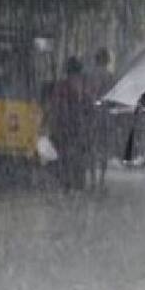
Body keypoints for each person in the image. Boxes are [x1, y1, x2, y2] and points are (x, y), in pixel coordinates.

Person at [47, 56, 92, 193]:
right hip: (77, 126)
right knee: (76, 155)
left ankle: (67, 184)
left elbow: (55, 106)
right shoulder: (84, 86)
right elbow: (88, 106)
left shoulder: (62, 86)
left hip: (65, 126)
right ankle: (76, 184)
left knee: (65, 156)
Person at [87, 48, 115, 192]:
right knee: (103, 150)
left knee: (93, 149)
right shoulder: (109, 76)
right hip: (105, 117)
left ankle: (92, 181)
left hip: (92, 116)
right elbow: (112, 98)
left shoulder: (90, 75)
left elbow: (88, 94)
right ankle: (101, 181)